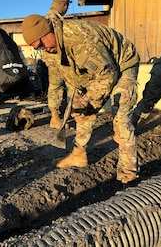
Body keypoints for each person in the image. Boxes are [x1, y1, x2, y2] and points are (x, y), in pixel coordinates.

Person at [21, 14, 140, 184]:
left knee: (121, 119)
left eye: (41, 44)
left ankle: (129, 174)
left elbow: (108, 76)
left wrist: (90, 100)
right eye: (37, 47)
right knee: (81, 108)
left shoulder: (80, 40)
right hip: (101, 68)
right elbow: (71, 76)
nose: (42, 49)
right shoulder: (54, 47)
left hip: (123, 64)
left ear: (48, 32)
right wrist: (79, 102)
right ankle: (78, 154)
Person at [43, 0, 72, 128]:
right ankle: (55, 118)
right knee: (56, 86)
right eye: (66, 5)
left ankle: (59, 115)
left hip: (58, 58)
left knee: (60, 86)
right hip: (55, 59)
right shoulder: (52, 19)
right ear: (60, 4)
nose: (67, 8)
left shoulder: (56, 17)